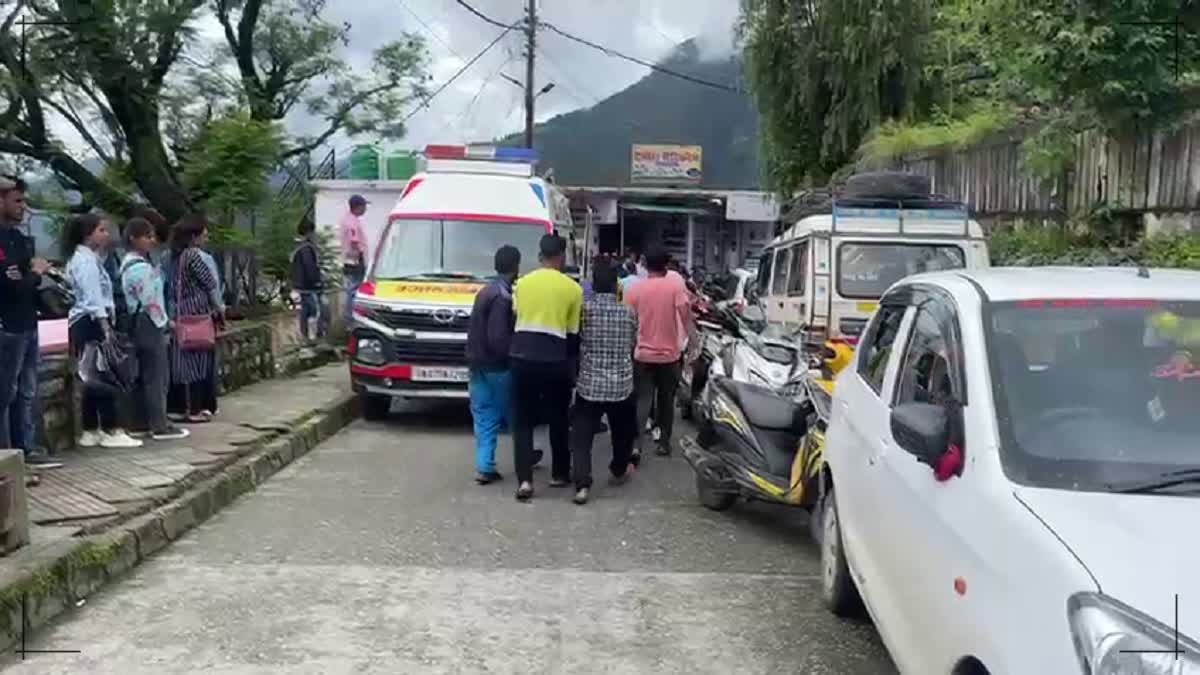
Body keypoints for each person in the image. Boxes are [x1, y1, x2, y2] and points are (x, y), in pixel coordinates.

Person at [509, 234, 582, 501]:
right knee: (558, 418)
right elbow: (573, 335)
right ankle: (560, 473)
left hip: (522, 356)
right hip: (555, 360)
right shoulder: (573, 289)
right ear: (561, 257)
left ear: (540, 255)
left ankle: (525, 481)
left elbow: (516, 317)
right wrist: (572, 370)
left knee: (522, 421)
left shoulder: (521, 284)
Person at [64, 213, 143, 449]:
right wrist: (105, 325)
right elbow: (93, 297)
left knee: (89, 376)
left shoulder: (83, 258)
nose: (106, 235)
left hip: (82, 321)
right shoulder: (86, 262)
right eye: (101, 230)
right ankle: (111, 428)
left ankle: (91, 428)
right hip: (92, 321)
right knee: (105, 373)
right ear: (88, 234)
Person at [0, 177, 61, 467]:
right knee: (7, 393)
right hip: (8, 326)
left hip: (28, 322)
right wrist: (35, 273)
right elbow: (11, 286)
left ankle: (26, 447)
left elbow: (25, 284)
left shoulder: (19, 239)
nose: (23, 207)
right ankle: (8, 454)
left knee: (27, 391)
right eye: (17, 201)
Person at [570, 262, 638, 505]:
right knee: (622, 433)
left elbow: (576, 341)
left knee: (582, 437)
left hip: (589, 383)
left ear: (593, 286)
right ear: (615, 286)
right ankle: (619, 469)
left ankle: (582, 484)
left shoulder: (583, 311)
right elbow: (632, 344)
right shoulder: (628, 312)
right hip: (621, 384)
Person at [120, 218, 189, 441]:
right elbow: (151, 300)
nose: (151, 241)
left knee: (141, 375)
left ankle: (140, 422)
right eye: (146, 236)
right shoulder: (141, 268)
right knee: (157, 374)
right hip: (149, 321)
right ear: (133, 238)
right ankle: (160, 424)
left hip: (136, 321)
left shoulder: (126, 264)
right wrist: (166, 322)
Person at [625, 246, 691, 459]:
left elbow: (629, 321)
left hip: (642, 354)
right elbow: (686, 318)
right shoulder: (675, 289)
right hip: (668, 356)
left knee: (642, 400)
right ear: (666, 265)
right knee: (665, 401)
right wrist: (694, 344)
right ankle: (664, 443)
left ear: (644, 264)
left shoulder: (635, 289)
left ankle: (636, 445)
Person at [466, 245, 520, 485]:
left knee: (484, 415)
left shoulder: (485, 291)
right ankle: (524, 457)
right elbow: (498, 337)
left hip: (476, 364)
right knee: (515, 414)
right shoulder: (503, 296)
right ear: (516, 266)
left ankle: (485, 464)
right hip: (497, 366)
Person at [166, 215, 221, 424]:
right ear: (193, 236)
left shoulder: (173, 256)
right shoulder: (193, 257)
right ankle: (195, 408)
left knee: (180, 363)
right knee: (198, 363)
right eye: (202, 233)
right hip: (196, 316)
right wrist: (219, 308)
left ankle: (179, 408)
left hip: (179, 315)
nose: (206, 236)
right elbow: (210, 284)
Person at [290, 220, 327, 343]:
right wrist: (317, 282)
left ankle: (304, 336)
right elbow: (309, 267)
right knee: (315, 311)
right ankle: (313, 337)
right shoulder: (306, 248)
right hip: (309, 286)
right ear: (309, 232)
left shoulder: (297, 246)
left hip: (300, 285)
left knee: (305, 311)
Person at [339, 195, 369, 324]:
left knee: (352, 289)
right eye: (364, 206)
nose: (365, 209)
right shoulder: (352, 222)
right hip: (354, 260)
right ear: (358, 207)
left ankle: (351, 316)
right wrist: (358, 262)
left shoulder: (348, 219)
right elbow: (354, 242)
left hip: (349, 260)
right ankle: (351, 317)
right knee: (354, 290)